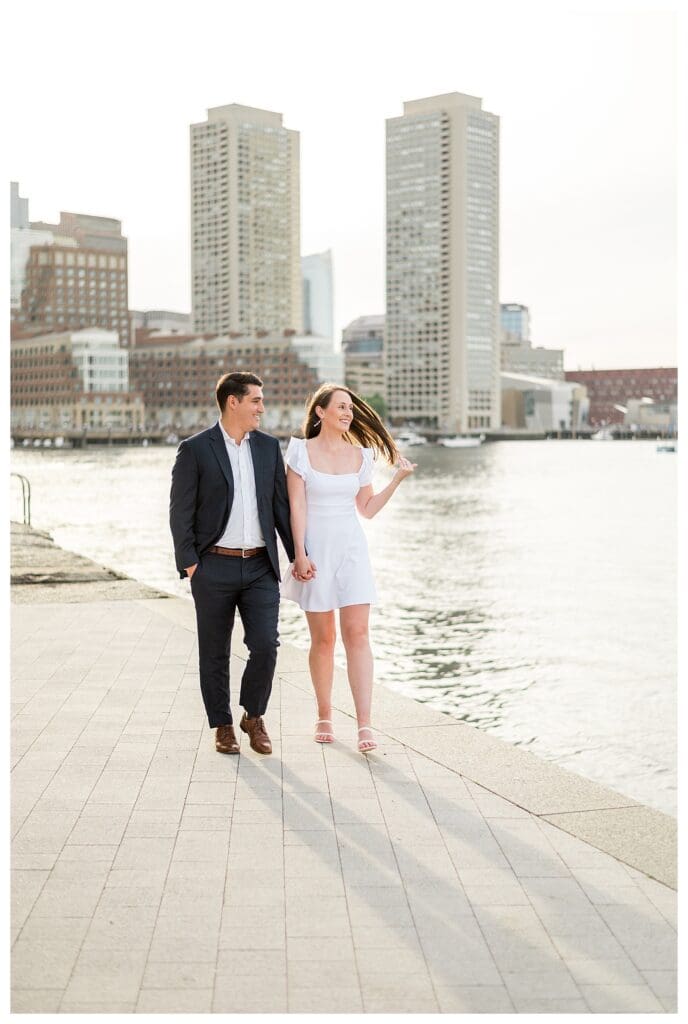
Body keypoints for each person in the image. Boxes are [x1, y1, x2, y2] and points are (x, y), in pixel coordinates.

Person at [281, 384, 416, 752]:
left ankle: (365, 724)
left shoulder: (362, 456)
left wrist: (396, 480)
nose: (348, 412)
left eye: (351, 408)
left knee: (358, 634)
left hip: (352, 553)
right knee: (323, 639)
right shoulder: (299, 452)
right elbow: (297, 508)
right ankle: (324, 714)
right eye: (340, 406)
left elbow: (367, 509)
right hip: (315, 553)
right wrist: (299, 554)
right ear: (320, 411)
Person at [169, 371, 296, 756]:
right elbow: (180, 512)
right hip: (213, 568)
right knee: (214, 652)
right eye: (256, 400)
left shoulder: (268, 448)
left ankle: (253, 716)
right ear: (233, 402)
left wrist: (297, 556)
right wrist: (191, 564)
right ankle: (222, 725)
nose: (262, 407)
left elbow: (280, 507)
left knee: (266, 646)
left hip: (260, 566)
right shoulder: (195, 449)